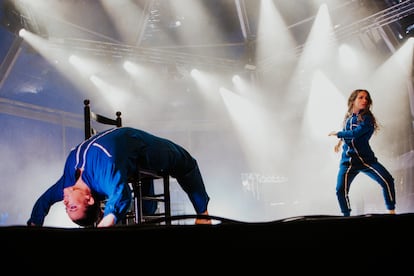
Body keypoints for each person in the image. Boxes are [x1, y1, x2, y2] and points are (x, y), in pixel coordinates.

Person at [27, 127, 211, 227]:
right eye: (73, 207)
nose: (66, 204)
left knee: (148, 206)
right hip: (139, 146)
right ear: (89, 199)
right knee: (185, 162)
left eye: (67, 208)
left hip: (124, 145)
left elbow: (44, 202)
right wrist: (109, 219)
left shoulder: (67, 183)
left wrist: (34, 224)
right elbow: (122, 195)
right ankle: (204, 214)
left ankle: (149, 207)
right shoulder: (104, 176)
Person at [328, 89, 396, 217]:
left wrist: (338, 134)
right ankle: (346, 215)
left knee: (387, 180)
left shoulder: (367, 118)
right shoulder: (348, 118)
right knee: (340, 190)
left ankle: (392, 211)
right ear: (353, 100)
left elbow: (355, 133)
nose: (365, 100)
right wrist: (339, 142)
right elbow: (347, 131)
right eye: (361, 97)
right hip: (348, 162)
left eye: (366, 98)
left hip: (366, 160)